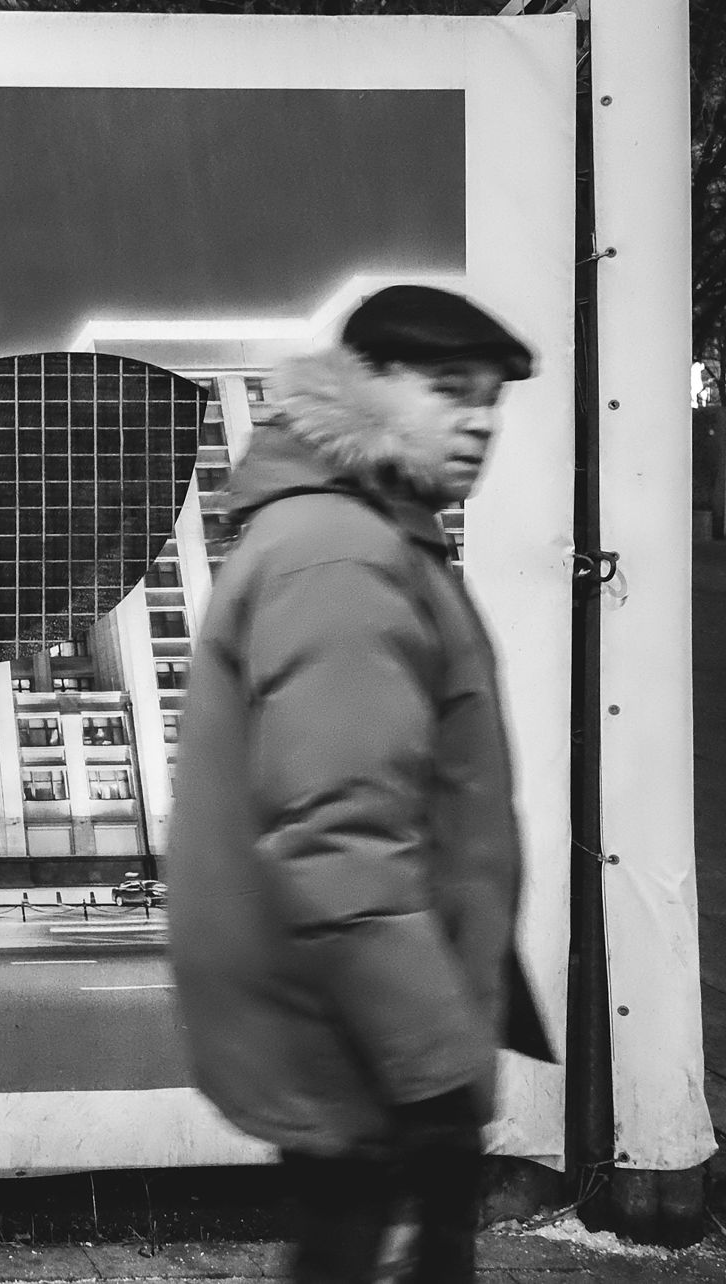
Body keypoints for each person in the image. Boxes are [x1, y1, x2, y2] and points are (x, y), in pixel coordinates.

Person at [167, 284, 554, 1284]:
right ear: (365, 386)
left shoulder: (362, 534)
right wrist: (433, 1073)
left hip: (357, 1009)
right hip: (357, 1029)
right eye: (447, 389)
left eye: (490, 398)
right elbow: (338, 835)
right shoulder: (339, 552)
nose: (480, 422)